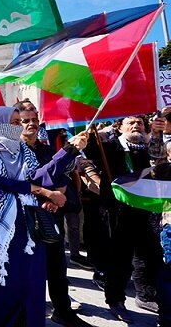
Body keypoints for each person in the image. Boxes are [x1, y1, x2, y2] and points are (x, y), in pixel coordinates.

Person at [0, 106, 86, 327]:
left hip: (27, 229)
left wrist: (69, 151)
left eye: (20, 121)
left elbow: (39, 177)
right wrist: (40, 192)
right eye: (15, 122)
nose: (19, 126)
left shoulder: (23, 150)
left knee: (26, 283)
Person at [84, 114, 165, 323]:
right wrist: (91, 130)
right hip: (117, 212)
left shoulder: (149, 148)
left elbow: (160, 163)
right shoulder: (109, 146)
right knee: (119, 259)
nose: (136, 125)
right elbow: (88, 152)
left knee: (150, 257)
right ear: (119, 128)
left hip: (145, 210)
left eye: (139, 122)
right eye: (130, 122)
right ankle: (115, 300)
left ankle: (145, 295)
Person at [18, 109, 92, 327]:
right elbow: (32, 178)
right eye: (25, 121)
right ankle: (30, 314)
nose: (31, 124)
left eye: (34, 120)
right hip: (27, 218)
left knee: (57, 267)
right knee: (31, 269)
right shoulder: (15, 152)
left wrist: (56, 195)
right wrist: (46, 195)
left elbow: (61, 175)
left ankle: (62, 310)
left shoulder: (48, 149)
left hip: (52, 216)